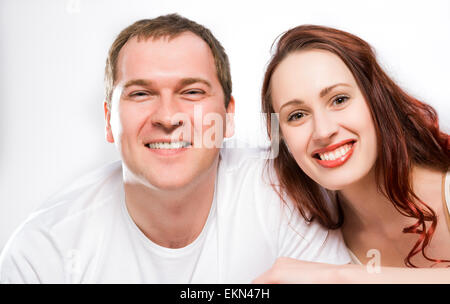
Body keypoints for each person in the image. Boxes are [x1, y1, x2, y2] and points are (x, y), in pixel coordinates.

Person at [0, 15, 350, 283]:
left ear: (228, 117)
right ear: (109, 120)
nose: (167, 117)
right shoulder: (43, 250)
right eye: (141, 93)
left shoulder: (286, 196)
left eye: (192, 92)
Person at [255, 24, 450, 283]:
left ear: (377, 100)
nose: (323, 131)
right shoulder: (317, 242)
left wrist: (343, 277)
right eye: (297, 115)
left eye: (339, 100)